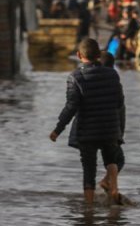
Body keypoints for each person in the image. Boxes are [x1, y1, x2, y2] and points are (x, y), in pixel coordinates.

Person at [50, 38, 125, 205]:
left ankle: (89, 209)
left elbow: (71, 107)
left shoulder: (75, 77)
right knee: (111, 159)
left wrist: (58, 129)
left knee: (89, 170)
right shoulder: (112, 74)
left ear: (78, 55)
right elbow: (119, 102)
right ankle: (114, 190)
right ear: (98, 54)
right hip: (110, 129)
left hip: (87, 132)